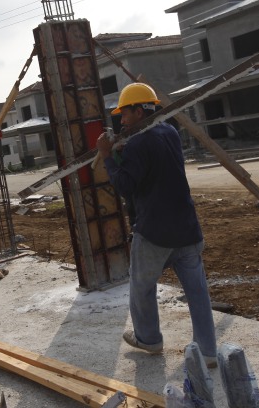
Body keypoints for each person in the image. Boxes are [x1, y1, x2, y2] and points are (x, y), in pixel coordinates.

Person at [96, 82, 217, 368]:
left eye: (124, 114)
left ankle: (149, 339)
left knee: (141, 287)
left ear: (139, 111)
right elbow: (153, 167)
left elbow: (126, 185)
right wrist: (124, 151)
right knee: (197, 292)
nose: (121, 121)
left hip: (154, 233)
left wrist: (107, 156)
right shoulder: (170, 132)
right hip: (187, 228)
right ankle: (208, 351)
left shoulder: (139, 142)